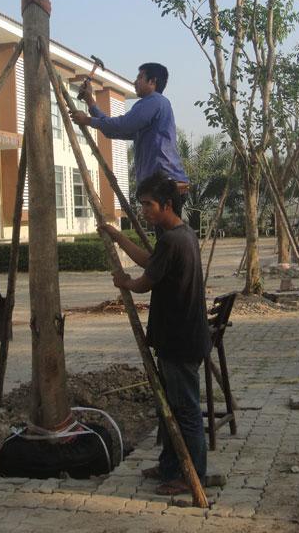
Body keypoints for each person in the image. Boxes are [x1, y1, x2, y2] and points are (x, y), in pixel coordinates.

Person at [99, 173, 211, 496]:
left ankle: (194, 476)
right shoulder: (181, 235)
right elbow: (151, 262)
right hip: (181, 337)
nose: (145, 210)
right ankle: (170, 466)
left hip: (179, 340)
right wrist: (118, 237)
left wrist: (126, 283)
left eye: (148, 204)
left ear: (166, 204)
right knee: (171, 408)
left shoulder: (175, 240)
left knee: (185, 410)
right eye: (143, 204)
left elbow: (146, 280)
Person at [71, 62, 189, 189]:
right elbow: (113, 131)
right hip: (160, 182)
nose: (135, 82)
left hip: (164, 183)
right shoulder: (154, 106)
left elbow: (121, 126)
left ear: (152, 81)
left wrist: (88, 120)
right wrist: (90, 100)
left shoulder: (154, 101)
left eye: (140, 77)